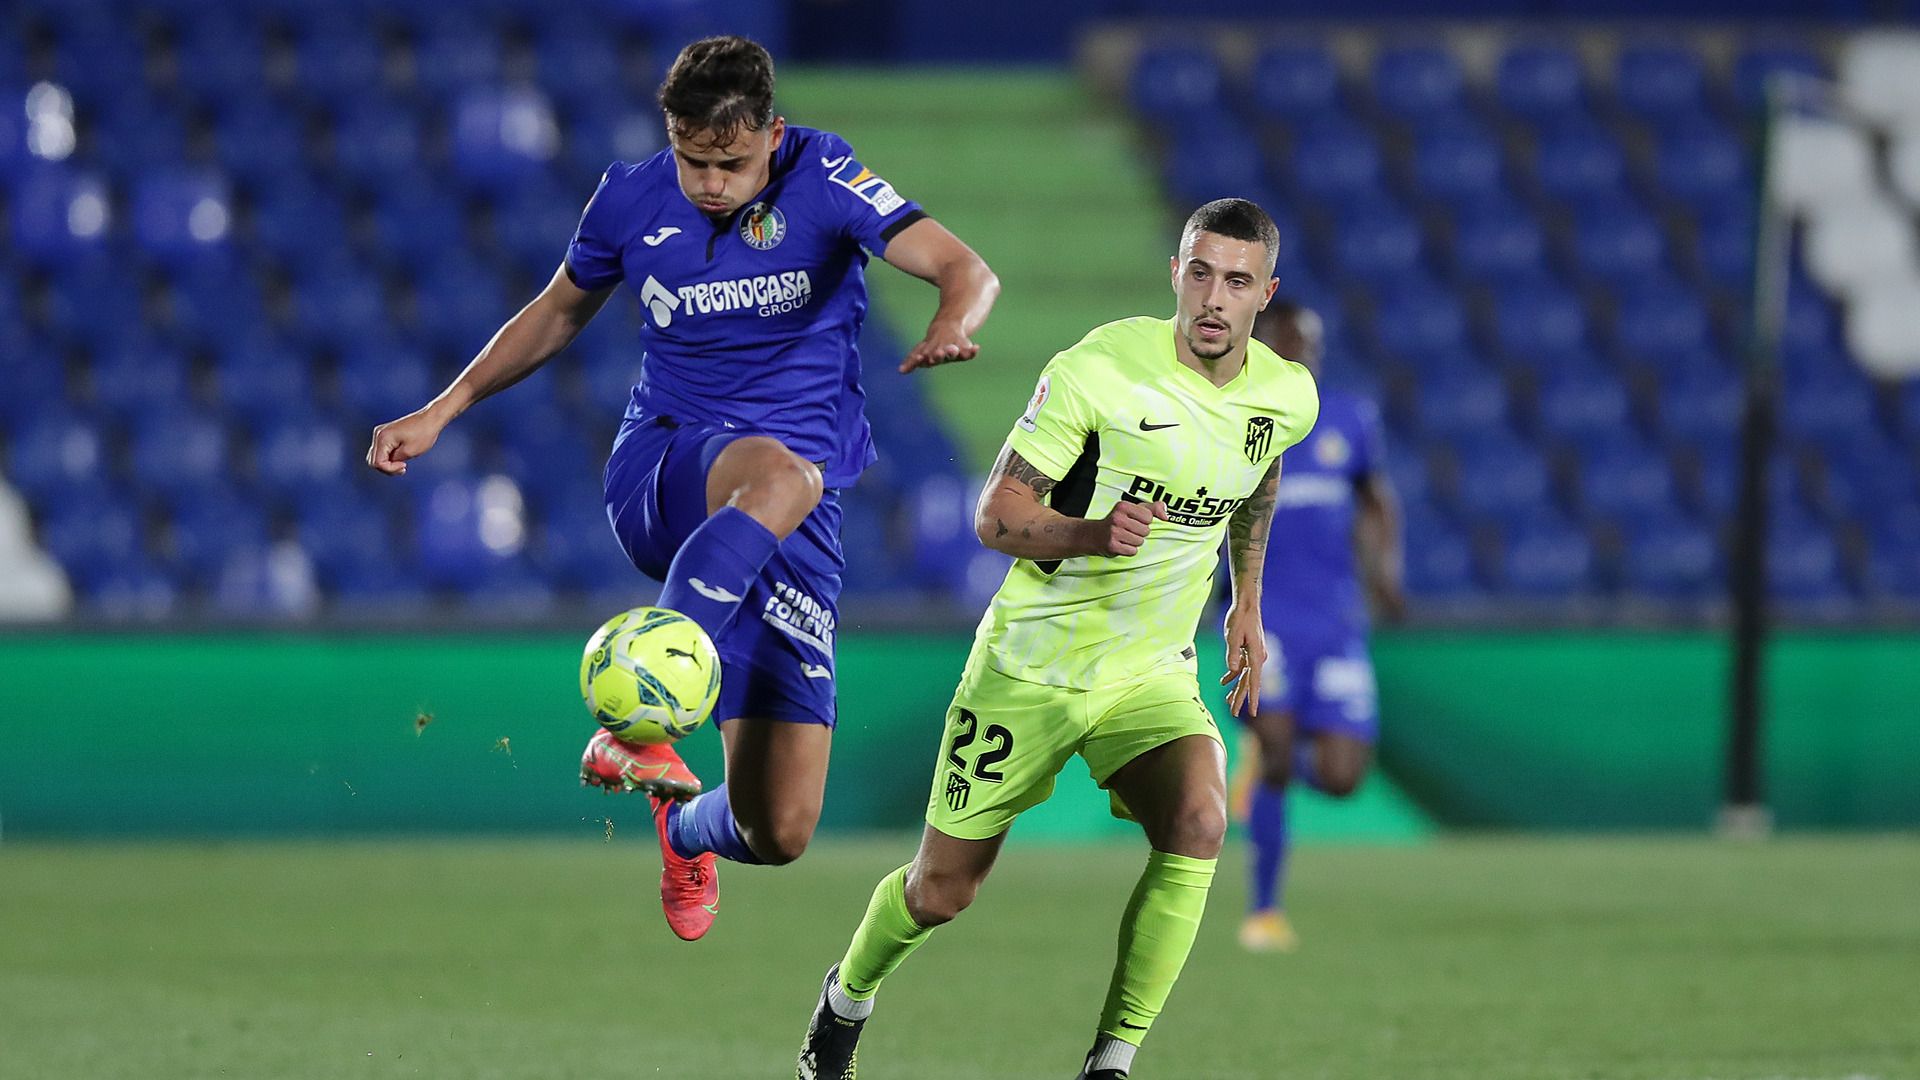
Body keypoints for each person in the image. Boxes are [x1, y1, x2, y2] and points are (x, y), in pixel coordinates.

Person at [364, 35, 998, 942]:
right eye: (692, 159)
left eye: (731, 163)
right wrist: (444, 408)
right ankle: (645, 706)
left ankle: (683, 827)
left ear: (772, 136)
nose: (709, 182)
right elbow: (556, 310)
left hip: (791, 525)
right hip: (667, 468)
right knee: (783, 470)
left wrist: (952, 320)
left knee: (777, 828)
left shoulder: (826, 175)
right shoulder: (629, 196)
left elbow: (968, 269)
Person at [794, 198, 1318, 1080]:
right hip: (1031, 665)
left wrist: (1247, 601)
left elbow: (1257, 471)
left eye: (1236, 281)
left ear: (1267, 292)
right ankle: (845, 999)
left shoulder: (1284, 394)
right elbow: (994, 518)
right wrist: (1091, 531)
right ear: (1176, 275)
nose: (1213, 300)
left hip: (1149, 669)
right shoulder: (1100, 370)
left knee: (1198, 818)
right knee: (941, 891)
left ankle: (1111, 1062)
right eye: (1199, 273)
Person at [1229, 301, 1405, 953]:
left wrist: (1385, 572)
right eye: (1286, 339)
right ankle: (1265, 910)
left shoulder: (1350, 419)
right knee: (1275, 746)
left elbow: (1376, 499)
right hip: (1263, 616)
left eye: (1309, 341)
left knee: (1341, 777)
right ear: (1263, 344)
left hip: (1334, 620)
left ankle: (1264, 772)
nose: (1299, 350)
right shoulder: (1236, 417)